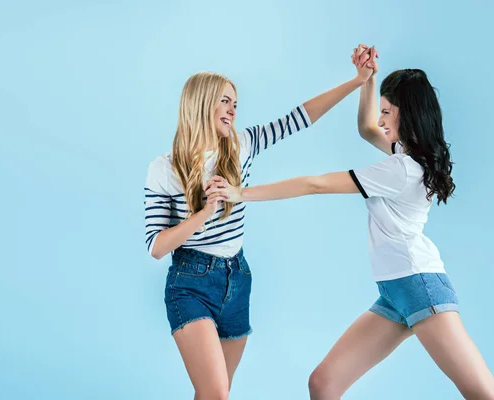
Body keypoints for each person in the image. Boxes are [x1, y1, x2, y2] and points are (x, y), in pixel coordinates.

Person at [205, 45, 494, 399]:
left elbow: (313, 184)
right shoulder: (408, 155)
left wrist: (240, 193)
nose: (380, 121)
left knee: (484, 394)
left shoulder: (400, 170)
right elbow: (365, 128)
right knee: (324, 383)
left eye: (387, 112)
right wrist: (368, 78)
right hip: (395, 293)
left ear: (406, 114)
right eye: (381, 111)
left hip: (420, 286)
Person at [144, 60, 376, 399]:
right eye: (225, 101)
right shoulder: (163, 168)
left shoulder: (241, 145)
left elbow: (300, 118)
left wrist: (358, 81)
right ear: (201, 102)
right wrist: (205, 212)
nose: (232, 110)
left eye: (235, 104)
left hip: (237, 279)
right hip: (190, 283)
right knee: (216, 392)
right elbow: (156, 246)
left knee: (216, 394)